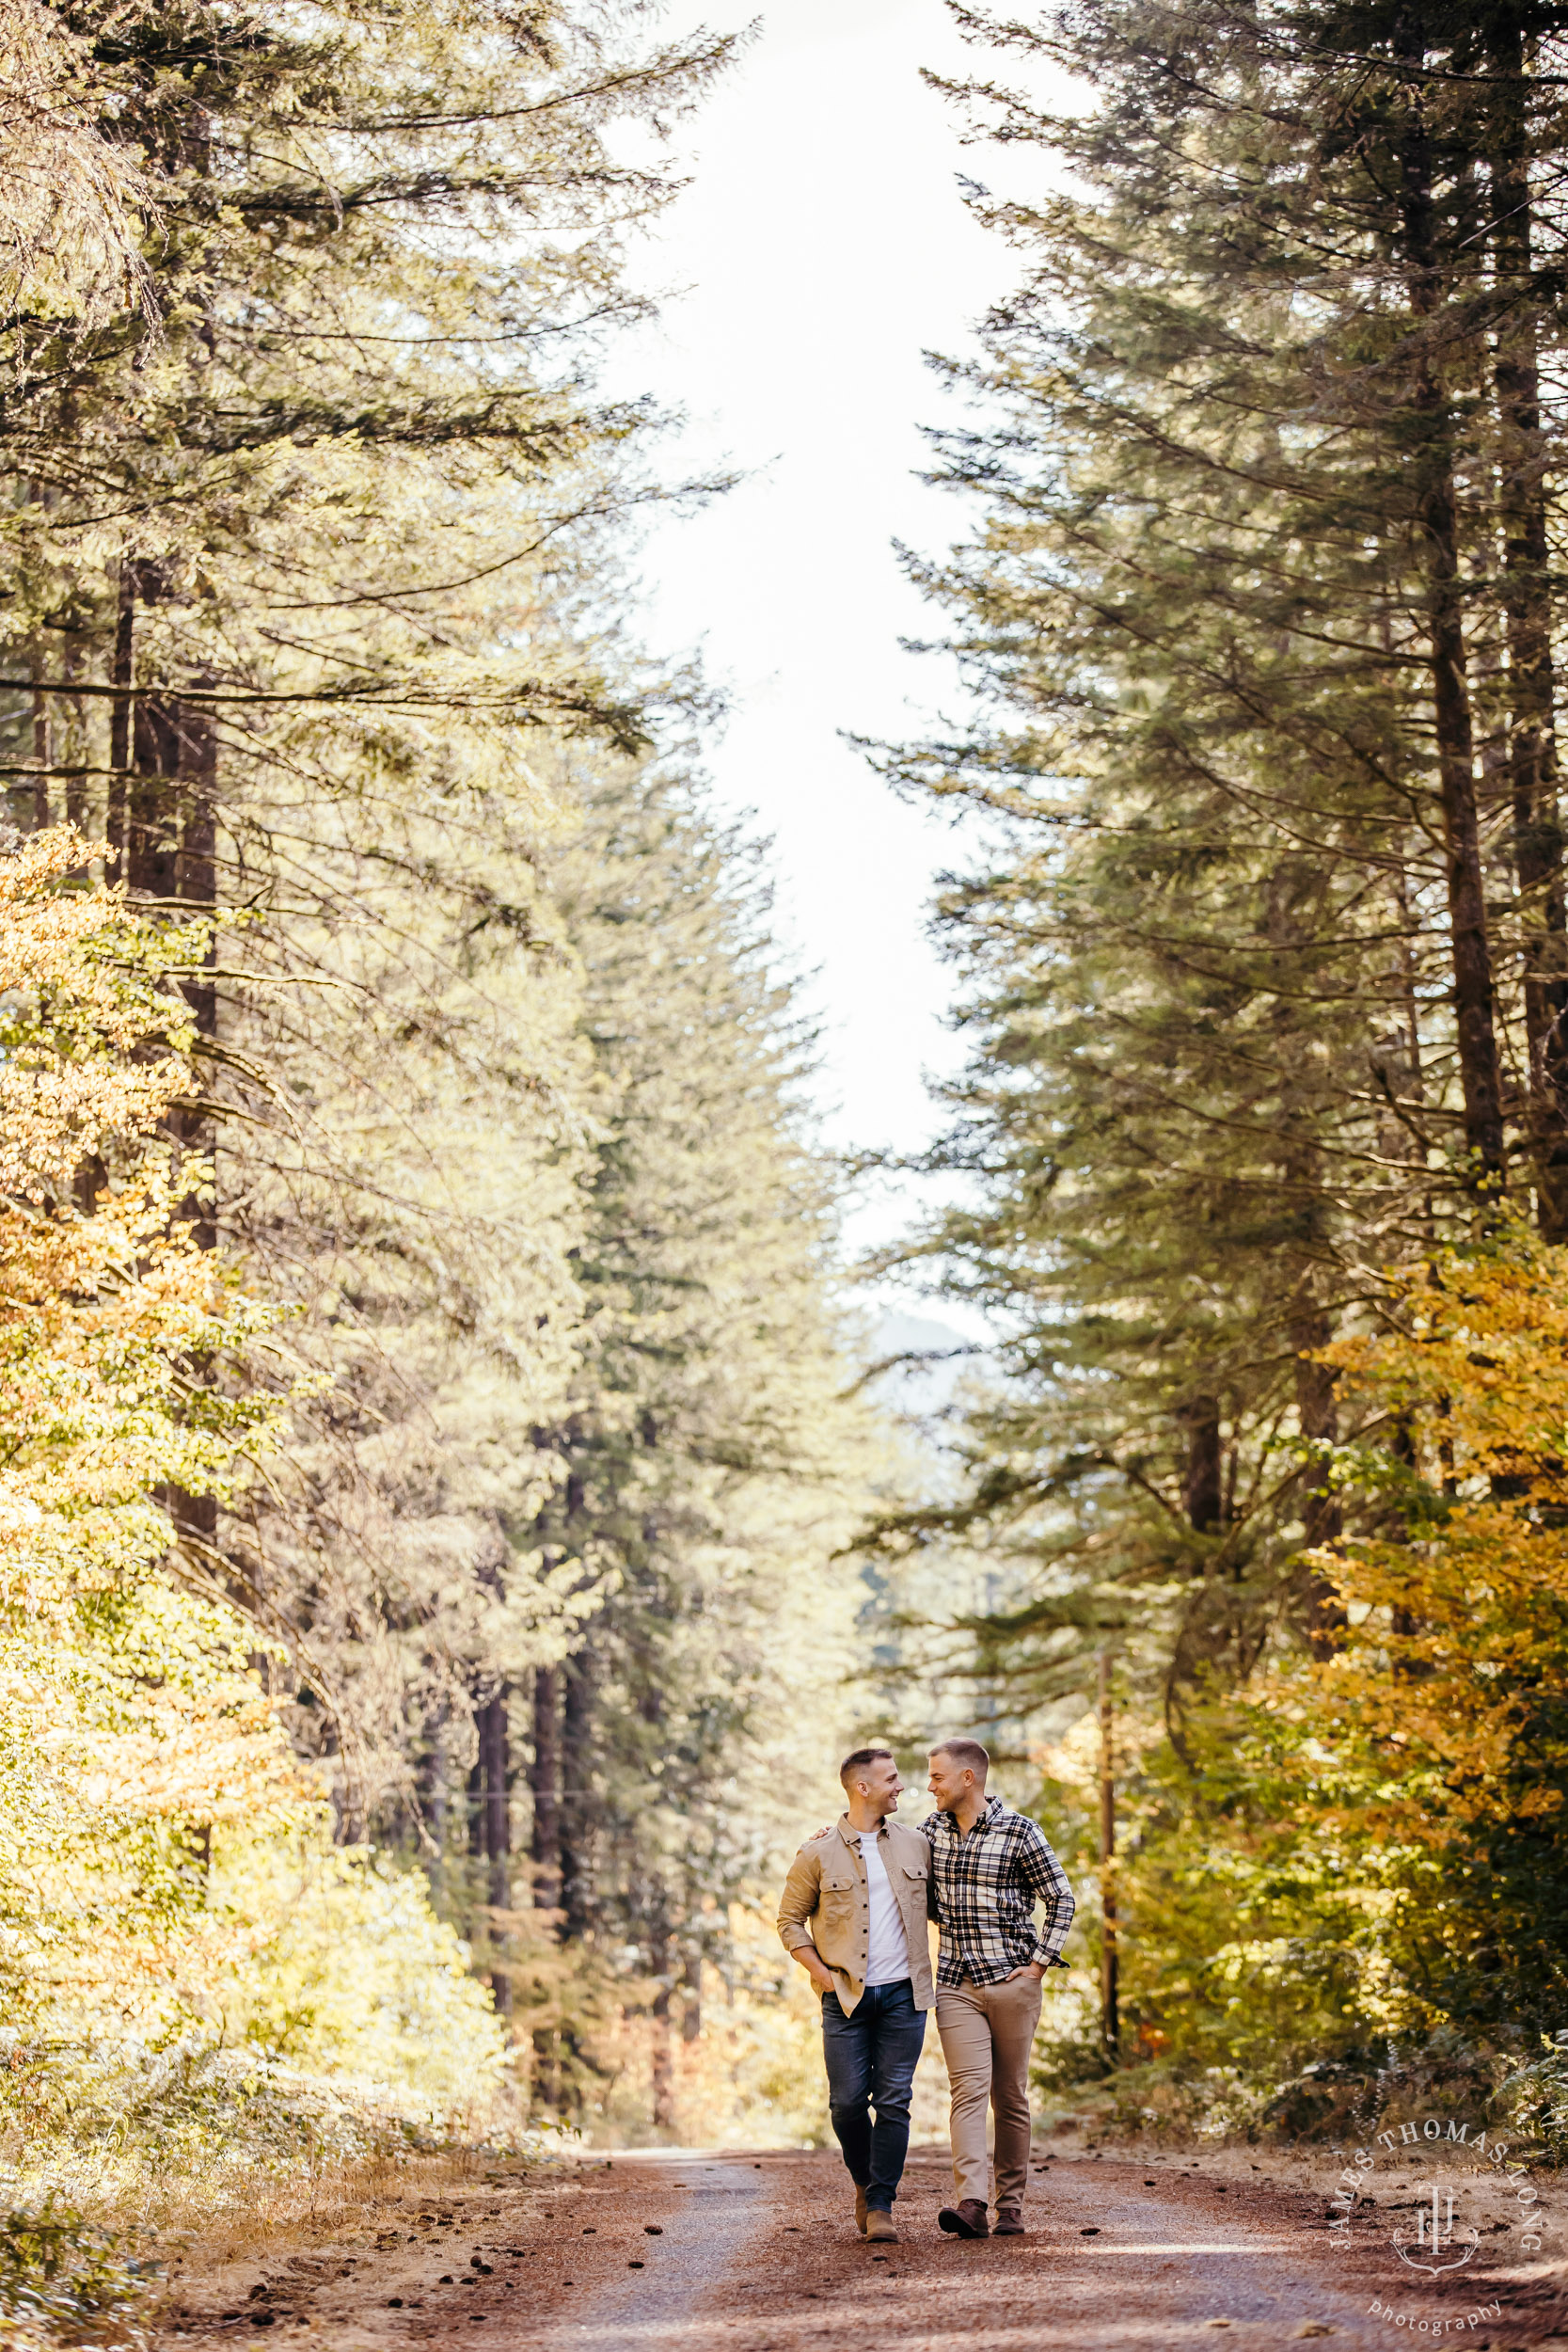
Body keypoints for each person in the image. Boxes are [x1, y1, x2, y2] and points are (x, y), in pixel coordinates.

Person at [776, 1745, 934, 2244]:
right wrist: (821, 1973)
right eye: (890, 1779)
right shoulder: (817, 1851)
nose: (900, 1786)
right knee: (846, 2104)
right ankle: (864, 2183)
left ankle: (882, 2203)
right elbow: (788, 1920)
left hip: (905, 1995)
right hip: (843, 1996)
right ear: (861, 1787)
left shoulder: (917, 1843)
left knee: (893, 2101)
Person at [924, 1737, 1075, 2241]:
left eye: (937, 1777)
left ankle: (1010, 2207)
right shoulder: (929, 1832)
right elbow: (884, 1856)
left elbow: (1061, 1898)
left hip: (1012, 1983)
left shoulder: (1020, 1832)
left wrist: (1038, 1965)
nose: (930, 1786)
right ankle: (971, 2203)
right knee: (967, 2092)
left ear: (968, 1778)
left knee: (1008, 2096)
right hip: (955, 1985)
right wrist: (824, 1837)